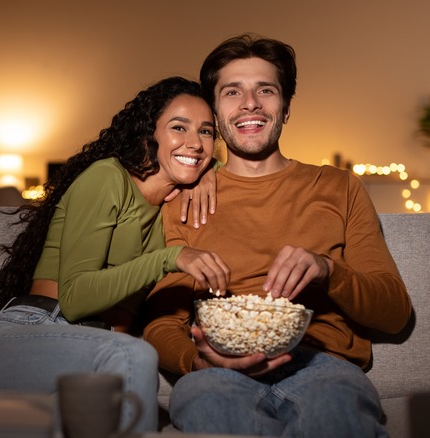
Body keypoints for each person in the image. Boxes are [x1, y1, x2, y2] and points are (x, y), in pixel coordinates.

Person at [143, 34, 413, 437]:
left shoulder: (339, 187)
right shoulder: (182, 200)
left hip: (322, 365)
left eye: (265, 90)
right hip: (219, 371)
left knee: (338, 418)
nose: (250, 103)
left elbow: (394, 315)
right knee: (210, 410)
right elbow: (161, 319)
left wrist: (328, 270)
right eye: (232, 91)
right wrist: (197, 363)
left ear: (285, 108)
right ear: (215, 113)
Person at [0, 76, 231, 433]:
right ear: (148, 133)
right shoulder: (108, 178)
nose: (195, 143)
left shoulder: (171, 207)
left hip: (90, 351)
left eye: (207, 132)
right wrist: (172, 257)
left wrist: (212, 170)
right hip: (25, 336)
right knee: (133, 355)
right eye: (179, 127)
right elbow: (74, 300)